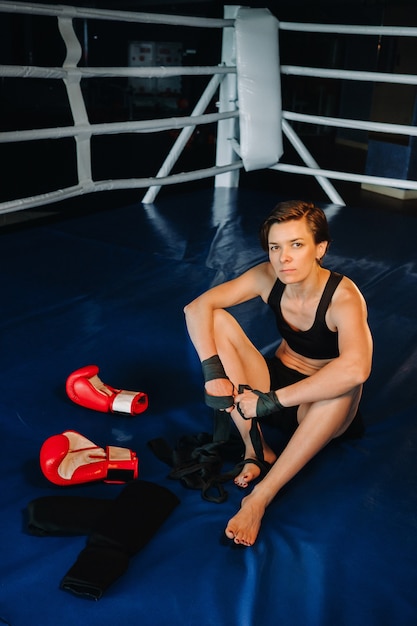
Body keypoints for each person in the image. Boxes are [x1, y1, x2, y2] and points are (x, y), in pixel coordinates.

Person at [183, 200, 373, 547]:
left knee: (344, 382)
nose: (284, 258)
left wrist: (270, 402)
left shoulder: (344, 297)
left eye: (296, 245)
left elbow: (357, 367)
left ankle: (259, 498)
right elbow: (196, 308)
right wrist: (213, 371)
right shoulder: (268, 276)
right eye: (275, 247)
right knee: (216, 318)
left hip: (315, 407)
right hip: (272, 380)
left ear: (321, 248)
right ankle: (256, 450)